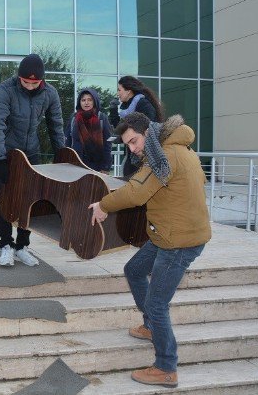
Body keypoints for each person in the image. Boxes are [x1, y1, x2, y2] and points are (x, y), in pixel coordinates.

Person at [88, 112, 211, 388]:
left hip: (178, 241)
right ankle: (151, 327)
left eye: (134, 141)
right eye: (127, 145)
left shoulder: (162, 157)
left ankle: (166, 367)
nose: (133, 149)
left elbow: (135, 193)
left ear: (149, 132)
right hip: (170, 233)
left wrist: (103, 206)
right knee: (134, 270)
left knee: (157, 303)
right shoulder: (178, 148)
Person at [0, 53, 65, 267]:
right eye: (26, 82)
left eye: (35, 83)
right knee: (4, 199)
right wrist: (0, 157)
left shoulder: (50, 93)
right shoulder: (6, 90)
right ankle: (6, 246)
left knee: (31, 200)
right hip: (7, 153)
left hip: (31, 153)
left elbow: (55, 125)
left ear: (42, 80)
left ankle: (22, 246)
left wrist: (62, 155)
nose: (30, 86)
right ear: (19, 77)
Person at [109, 76, 164, 177]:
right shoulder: (125, 108)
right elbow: (120, 129)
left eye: (119, 90)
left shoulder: (143, 104)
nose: (117, 93)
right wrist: (113, 111)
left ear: (128, 91)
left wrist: (121, 138)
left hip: (145, 156)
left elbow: (147, 129)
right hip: (132, 155)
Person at [65, 88, 112, 173]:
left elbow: (107, 144)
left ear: (94, 101)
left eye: (89, 100)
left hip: (96, 166)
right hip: (76, 164)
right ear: (80, 102)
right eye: (83, 100)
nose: (86, 103)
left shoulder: (102, 118)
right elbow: (67, 142)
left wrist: (105, 167)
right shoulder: (74, 118)